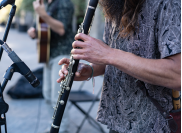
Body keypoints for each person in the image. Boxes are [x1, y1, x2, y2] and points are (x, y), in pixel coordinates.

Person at [57, 0, 181, 133]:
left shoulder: (168, 3)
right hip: (116, 121)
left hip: (154, 124)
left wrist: (108, 54)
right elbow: (111, 58)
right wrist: (90, 70)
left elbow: (177, 75)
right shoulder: (114, 5)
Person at [27, 0, 74, 133]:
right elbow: (44, 28)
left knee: (57, 97)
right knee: (47, 94)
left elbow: (61, 29)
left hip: (62, 54)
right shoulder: (46, 5)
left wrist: (43, 14)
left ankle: (62, 129)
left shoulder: (64, 3)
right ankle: (54, 126)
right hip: (48, 53)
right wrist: (34, 32)